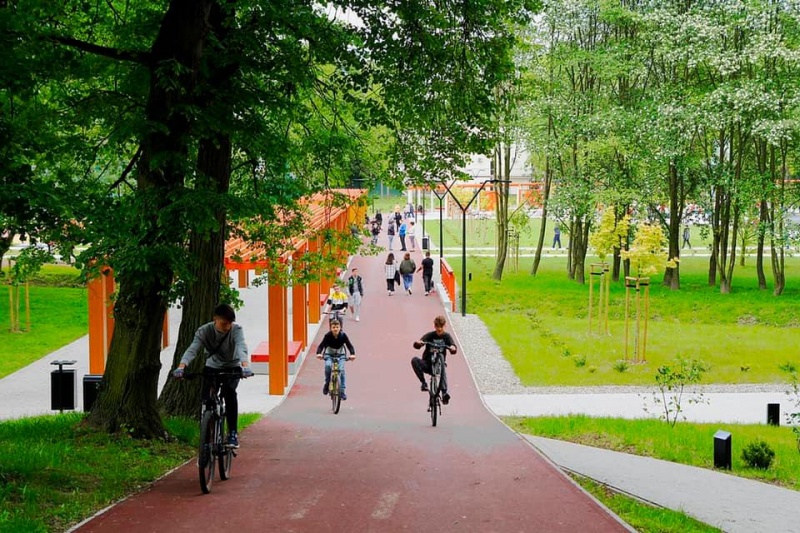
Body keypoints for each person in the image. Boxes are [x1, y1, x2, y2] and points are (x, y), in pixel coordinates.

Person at [173, 303, 252, 448]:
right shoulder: (204, 331)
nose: (227, 327)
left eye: (229, 323)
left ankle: (232, 433)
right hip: (212, 366)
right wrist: (181, 367)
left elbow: (241, 347)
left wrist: (245, 366)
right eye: (224, 323)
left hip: (232, 367)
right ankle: (206, 433)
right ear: (215, 319)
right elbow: (192, 349)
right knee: (207, 397)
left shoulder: (236, 330)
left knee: (229, 392)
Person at [411, 315, 457, 405]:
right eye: (437, 326)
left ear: (445, 326)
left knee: (442, 370)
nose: (439, 329)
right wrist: (419, 343)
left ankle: (444, 393)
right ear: (434, 326)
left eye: (441, 326)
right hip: (428, 364)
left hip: (439, 365)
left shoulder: (447, 336)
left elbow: (452, 345)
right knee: (414, 360)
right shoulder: (430, 335)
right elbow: (420, 342)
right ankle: (423, 383)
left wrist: (452, 348)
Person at [315, 319, 356, 400]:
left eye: (337, 327)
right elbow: (321, 345)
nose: (335, 329)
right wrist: (318, 353)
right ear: (330, 328)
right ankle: (327, 383)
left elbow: (349, 345)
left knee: (341, 370)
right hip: (329, 354)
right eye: (333, 327)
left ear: (340, 327)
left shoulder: (343, 335)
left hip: (341, 354)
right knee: (328, 365)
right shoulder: (327, 336)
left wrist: (352, 354)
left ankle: (342, 391)